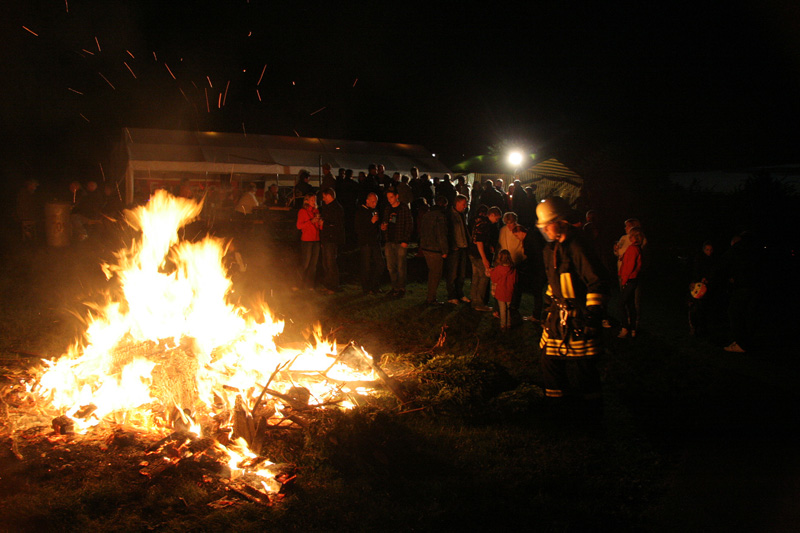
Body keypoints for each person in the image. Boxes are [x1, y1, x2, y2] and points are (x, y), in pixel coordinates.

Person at [536, 196, 610, 415]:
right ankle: (558, 409)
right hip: (558, 318)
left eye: (548, 224)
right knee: (549, 361)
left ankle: (592, 413)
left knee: (584, 367)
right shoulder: (551, 249)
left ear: (561, 222)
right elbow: (554, 284)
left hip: (580, 319)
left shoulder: (578, 246)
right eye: (543, 226)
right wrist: (547, 310)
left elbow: (596, 282)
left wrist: (592, 318)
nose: (545, 229)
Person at [468, 205, 502, 311]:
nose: (496, 221)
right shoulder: (485, 224)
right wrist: (484, 258)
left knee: (476, 276)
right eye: (497, 218)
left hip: (472, 252)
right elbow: (479, 241)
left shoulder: (479, 221)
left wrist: (489, 245)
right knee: (484, 277)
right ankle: (479, 303)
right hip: (478, 255)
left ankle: (474, 300)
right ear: (492, 215)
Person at [418, 196, 450, 305]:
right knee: (436, 274)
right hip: (435, 249)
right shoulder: (440, 216)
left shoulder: (427, 214)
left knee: (432, 272)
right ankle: (431, 298)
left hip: (426, 247)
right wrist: (444, 250)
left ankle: (430, 297)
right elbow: (441, 235)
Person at [382, 189, 413, 297]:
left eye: (391, 197)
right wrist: (384, 227)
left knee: (400, 266)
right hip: (389, 240)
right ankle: (395, 287)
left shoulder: (403, 208)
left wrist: (406, 240)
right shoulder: (388, 209)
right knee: (391, 266)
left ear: (396, 196)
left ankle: (401, 288)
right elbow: (385, 221)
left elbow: (409, 224)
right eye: (388, 198)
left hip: (400, 241)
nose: (389, 200)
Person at [512, 224, 546, 322]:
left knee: (537, 292)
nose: (517, 238)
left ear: (520, 232)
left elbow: (533, 257)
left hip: (537, 269)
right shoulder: (532, 237)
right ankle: (536, 314)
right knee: (537, 292)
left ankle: (536, 315)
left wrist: (523, 266)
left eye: (517, 235)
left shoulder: (530, 240)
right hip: (538, 268)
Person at [355, 192, 384, 294]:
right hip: (366, 243)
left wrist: (380, 227)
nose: (374, 203)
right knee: (366, 266)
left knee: (380, 264)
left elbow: (375, 227)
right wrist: (371, 222)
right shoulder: (361, 212)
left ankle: (374, 285)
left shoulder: (374, 210)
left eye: (376, 201)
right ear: (367, 201)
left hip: (375, 242)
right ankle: (367, 288)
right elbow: (359, 229)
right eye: (372, 201)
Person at [618, 227, 644, 338]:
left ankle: (625, 327)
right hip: (633, 279)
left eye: (632, 235)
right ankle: (633, 328)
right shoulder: (637, 248)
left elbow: (630, 266)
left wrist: (624, 280)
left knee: (621, 304)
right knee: (630, 304)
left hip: (629, 279)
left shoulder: (633, 249)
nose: (630, 237)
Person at [318, 188, 345, 293]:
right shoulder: (327, 207)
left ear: (329, 196)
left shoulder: (337, 208)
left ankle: (333, 286)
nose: (323, 199)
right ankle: (328, 284)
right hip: (326, 239)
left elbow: (337, 225)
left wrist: (324, 224)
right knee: (325, 263)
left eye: (324, 197)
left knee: (331, 263)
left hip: (332, 239)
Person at [445, 194, 470, 304]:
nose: (465, 206)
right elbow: (447, 231)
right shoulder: (450, 215)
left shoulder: (461, 214)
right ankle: (452, 295)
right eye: (464, 204)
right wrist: (452, 244)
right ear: (457, 203)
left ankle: (460, 293)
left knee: (461, 273)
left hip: (462, 246)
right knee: (453, 273)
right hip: (455, 248)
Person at [295, 193, 321, 290]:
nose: (314, 202)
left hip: (316, 240)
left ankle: (310, 285)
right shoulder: (302, 211)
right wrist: (311, 221)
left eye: (315, 200)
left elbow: (318, 227)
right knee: (305, 263)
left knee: (313, 265)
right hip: (307, 240)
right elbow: (299, 226)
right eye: (312, 200)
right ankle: (298, 284)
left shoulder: (316, 211)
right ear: (307, 201)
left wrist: (320, 223)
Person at [490, 249, 518, 332]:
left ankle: (503, 325)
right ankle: (508, 324)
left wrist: (492, 272)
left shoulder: (499, 269)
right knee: (508, 309)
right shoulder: (513, 269)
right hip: (509, 292)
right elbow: (515, 280)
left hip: (501, 292)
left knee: (502, 309)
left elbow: (494, 279)